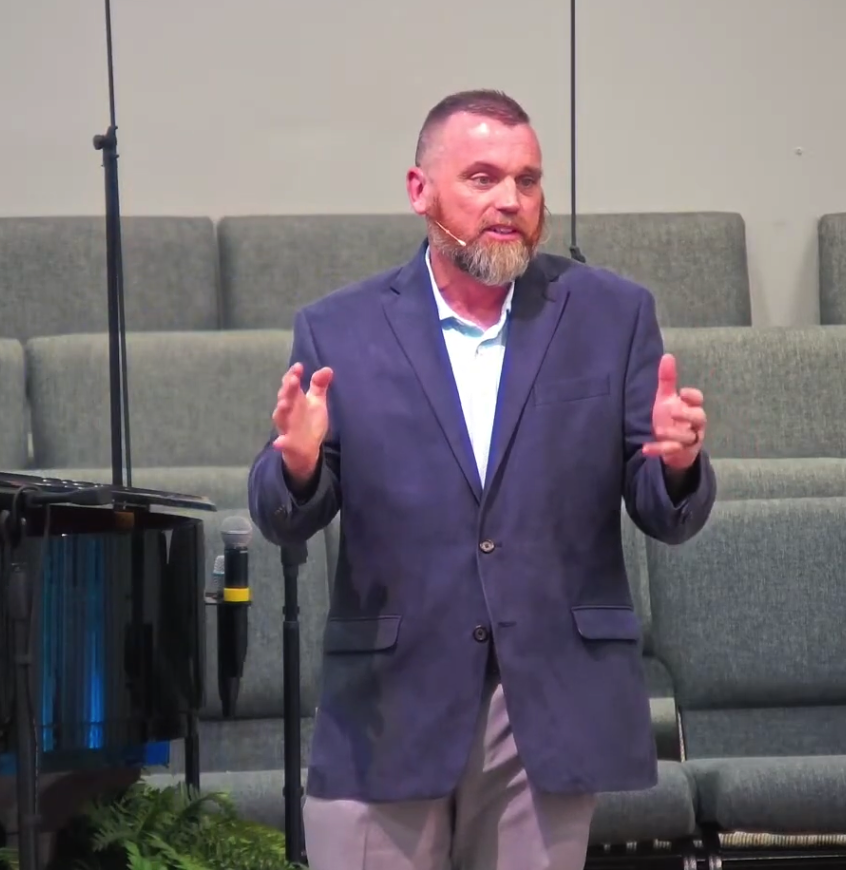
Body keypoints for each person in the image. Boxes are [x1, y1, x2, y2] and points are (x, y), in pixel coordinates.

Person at [247, 89, 716, 870]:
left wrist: (677, 463)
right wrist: (296, 466)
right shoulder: (341, 328)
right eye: (483, 178)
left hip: (545, 703)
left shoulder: (611, 315)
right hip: (389, 707)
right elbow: (281, 514)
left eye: (527, 181)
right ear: (420, 190)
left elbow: (666, 514)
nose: (510, 201)